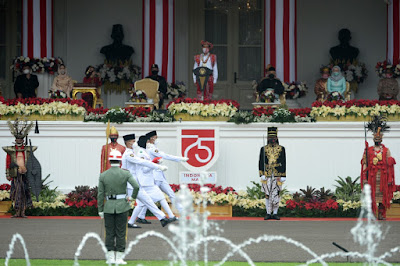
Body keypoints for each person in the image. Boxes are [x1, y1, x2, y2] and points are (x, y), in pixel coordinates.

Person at [121, 134, 174, 228]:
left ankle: (131, 222)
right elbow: (142, 162)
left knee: (146, 201)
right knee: (146, 201)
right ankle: (162, 218)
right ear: (127, 143)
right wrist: (158, 166)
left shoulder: (131, 152)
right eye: (133, 141)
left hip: (135, 183)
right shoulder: (129, 154)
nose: (135, 143)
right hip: (131, 184)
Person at [97, 149, 140, 265]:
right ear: (120, 161)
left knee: (109, 232)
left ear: (110, 161)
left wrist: (100, 210)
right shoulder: (125, 173)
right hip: (122, 206)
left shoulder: (103, 175)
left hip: (109, 207)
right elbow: (136, 186)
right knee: (121, 232)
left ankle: (110, 257)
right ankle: (120, 257)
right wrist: (132, 198)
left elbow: (100, 194)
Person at [136, 131, 188, 224]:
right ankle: (141, 216)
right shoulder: (151, 148)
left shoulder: (151, 148)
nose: (156, 140)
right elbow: (165, 156)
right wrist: (180, 159)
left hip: (159, 175)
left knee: (169, 193)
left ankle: (181, 212)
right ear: (152, 138)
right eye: (156, 138)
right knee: (152, 197)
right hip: (155, 176)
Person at [361, 116, 396, 220]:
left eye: (379, 137)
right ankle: (371, 214)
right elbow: (365, 163)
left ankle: (381, 214)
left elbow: (390, 164)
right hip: (371, 177)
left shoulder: (386, 150)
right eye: (375, 137)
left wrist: (390, 178)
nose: (377, 139)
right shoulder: (368, 150)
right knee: (371, 196)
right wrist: (364, 177)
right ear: (373, 138)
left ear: (381, 138)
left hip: (382, 177)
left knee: (382, 196)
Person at [2, 118, 35, 218]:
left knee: (25, 192)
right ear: (15, 140)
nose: (19, 141)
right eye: (17, 139)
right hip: (15, 174)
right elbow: (8, 162)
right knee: (16, 192)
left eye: (20, 139)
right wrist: (8, 174)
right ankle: (17, 211)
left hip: (24, 173)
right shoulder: (11, 151)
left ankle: (23, 211)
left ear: (23, 140)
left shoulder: (27, 150)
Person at [259, 127, 286, 220]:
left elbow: (284, 162)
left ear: (276, 138)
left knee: (276, 193)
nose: (272, 139)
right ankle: (268, 212)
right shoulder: (263, 148)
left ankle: (275, 213)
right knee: (267, 194)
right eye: (270, 137)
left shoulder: (282, 149)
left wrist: (283, 175)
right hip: (267, 174)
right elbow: (260, 162)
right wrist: (261, 174)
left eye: (273, 137)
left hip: (278, 174)